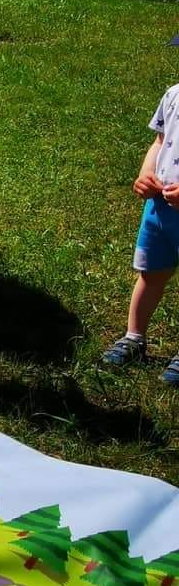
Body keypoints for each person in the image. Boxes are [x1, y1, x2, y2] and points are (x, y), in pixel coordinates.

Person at [101, 75, 179, 382]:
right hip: (159, 207)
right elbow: (160, 141)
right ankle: (134, 337)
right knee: (151, 273)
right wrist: (147, 173)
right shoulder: (174, 94)